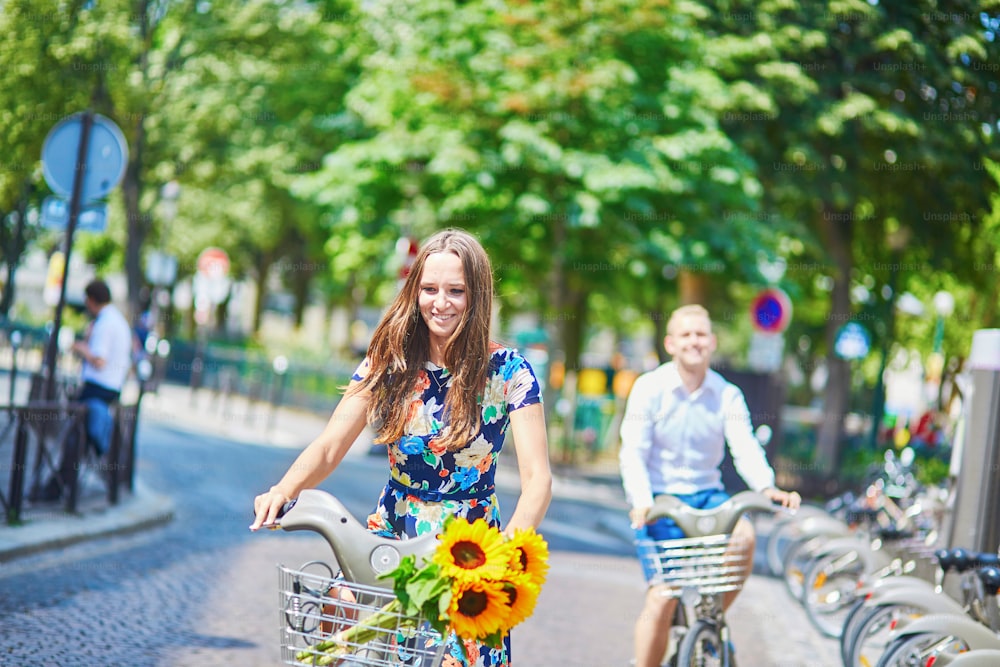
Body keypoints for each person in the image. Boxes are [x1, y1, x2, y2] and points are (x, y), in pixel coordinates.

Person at [250, 228, 553, 667]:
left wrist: (507, 552)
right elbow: (332, 443)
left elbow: (538, 480)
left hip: (469, 544)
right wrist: (284, 489)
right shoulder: (389, 358)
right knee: (338, 630)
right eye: (429, 289)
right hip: (393, 526)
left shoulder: (509, 371)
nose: (440, 302)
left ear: (478, 296)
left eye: (456, 291)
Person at [618, 304, 801, 667]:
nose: (694, 342)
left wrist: (766, 487)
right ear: (670, 343)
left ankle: (709, 617)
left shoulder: (727, 394)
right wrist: (641, 500)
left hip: (706, 494)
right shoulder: (649, 388)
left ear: (713, 342)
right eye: (686, 335)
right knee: (663, 598)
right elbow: (633, 452)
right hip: (660, 499)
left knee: (745, 536)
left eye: (701, 334)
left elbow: (745, 445)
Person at [40, 279, 134, 500]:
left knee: (74, 440)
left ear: (91, 300)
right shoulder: (117, 320)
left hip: (98, 388)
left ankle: (60, 488)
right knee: (78, 441)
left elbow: (99, 360)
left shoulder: (105, 323)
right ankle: (64, 487)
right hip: (110, 388)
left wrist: (81, 348)